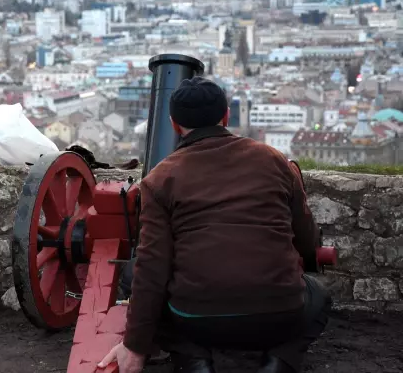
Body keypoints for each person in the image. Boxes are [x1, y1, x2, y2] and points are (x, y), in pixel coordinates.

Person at [98, 77, 332, 373]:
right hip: (278, 314)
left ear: (174, 124)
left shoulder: (160, 179)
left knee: (134, 276)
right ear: (226, 116)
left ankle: (193, 359)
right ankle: (280, 361)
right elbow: (305, 234)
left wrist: (134, 345)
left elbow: (152, 268)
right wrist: (308, 259)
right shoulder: (273, 161)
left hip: (196, 320)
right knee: (319, 297)